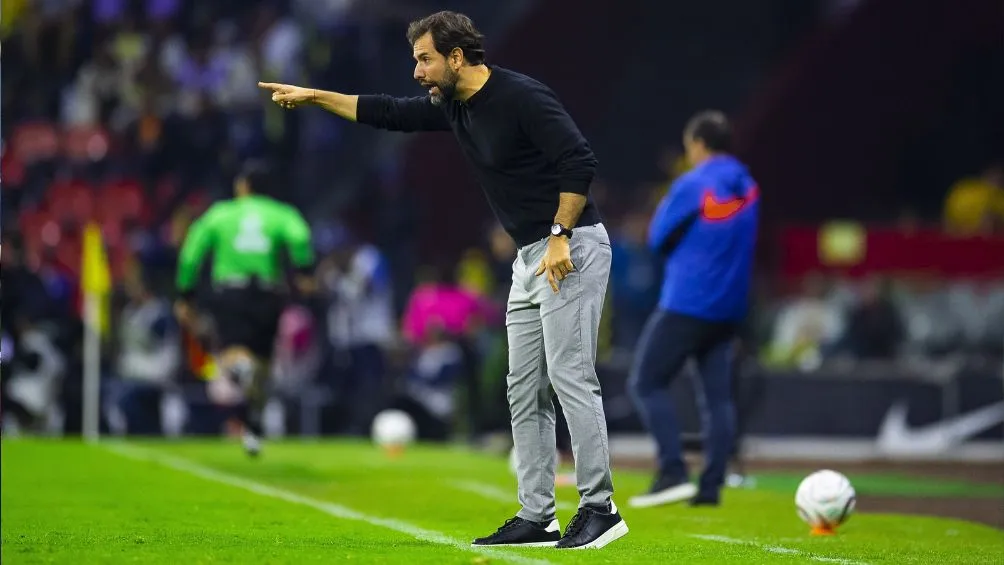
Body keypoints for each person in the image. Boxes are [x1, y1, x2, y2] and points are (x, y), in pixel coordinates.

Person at [258, 10, 627, 550]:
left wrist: (558, 236)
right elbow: (385, 112)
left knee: (570, 376)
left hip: (569, 248)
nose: (417, 72)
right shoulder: (454, 106)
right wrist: (313, 95)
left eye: (424, 59)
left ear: (457, 56)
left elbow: (579, 160)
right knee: (522, 387)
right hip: (530, 258)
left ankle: (600, 508)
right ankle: (537, 515)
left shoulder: (521, 96)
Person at [627, 111, 759, 508]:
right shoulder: (750, 187)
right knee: (718, 399)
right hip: (730, 307)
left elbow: (657, 237)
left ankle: (672, 470)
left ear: (698, 144)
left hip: (687, 301)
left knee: (645, 382)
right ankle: (710, 487)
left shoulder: (691, 183)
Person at [174, 161, 315, 457]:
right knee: (263, 364)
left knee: (229, 353)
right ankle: (252, 428)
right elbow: (300, 236)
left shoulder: (222, 213)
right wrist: (304, 272)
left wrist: (185, 293)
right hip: (267, 293)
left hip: (230, 293)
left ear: (243, 186)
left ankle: (240, 371)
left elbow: (192, 250)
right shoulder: (281, 214)